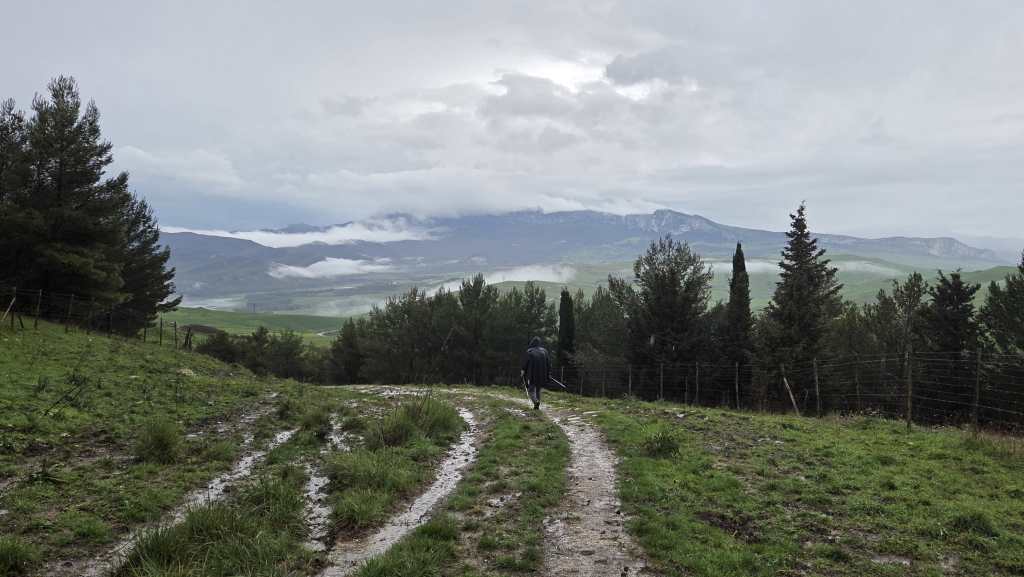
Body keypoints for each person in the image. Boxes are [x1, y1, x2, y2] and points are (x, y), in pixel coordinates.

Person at [521, 336, 550, 410]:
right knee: (538, 390)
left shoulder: (529, 351)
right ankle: (537, 405)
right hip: (542, 374)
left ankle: (536, 402)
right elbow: (548, 363)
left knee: (531, 390)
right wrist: (548, 373)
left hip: (532, 374)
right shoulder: (545, 351)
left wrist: (523, 370)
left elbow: (525, 363)